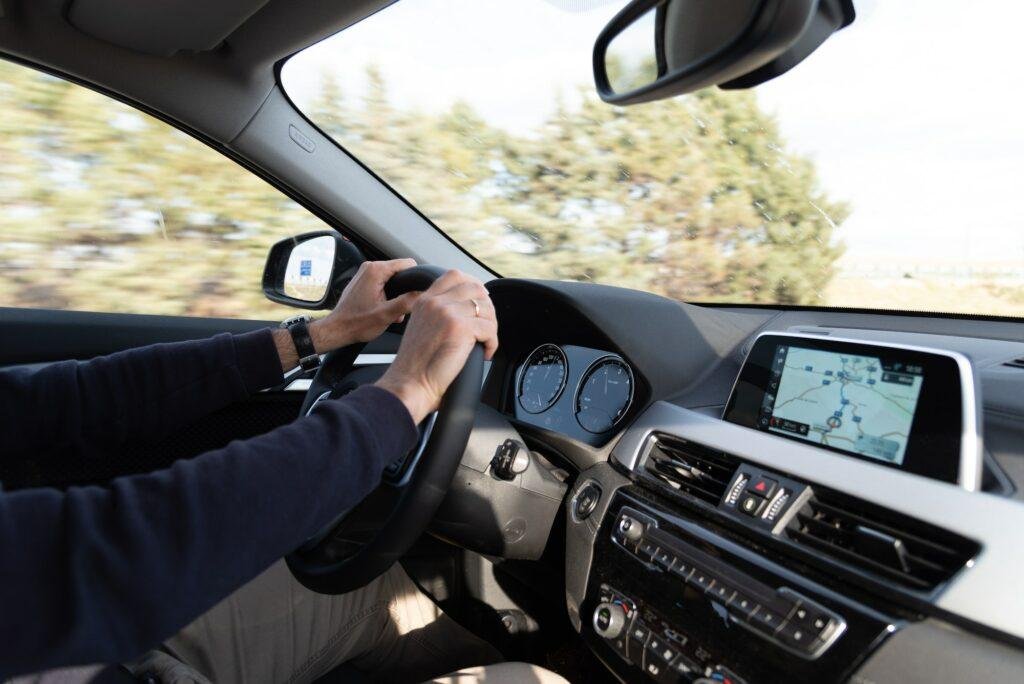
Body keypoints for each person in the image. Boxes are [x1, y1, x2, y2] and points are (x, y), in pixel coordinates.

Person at [0, 261, 546, 683]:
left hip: (93, 647)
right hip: (88, 642)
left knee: (372, 590)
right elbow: (110, 551)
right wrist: (407, 392)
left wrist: (322, 334)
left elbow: (72, 400)